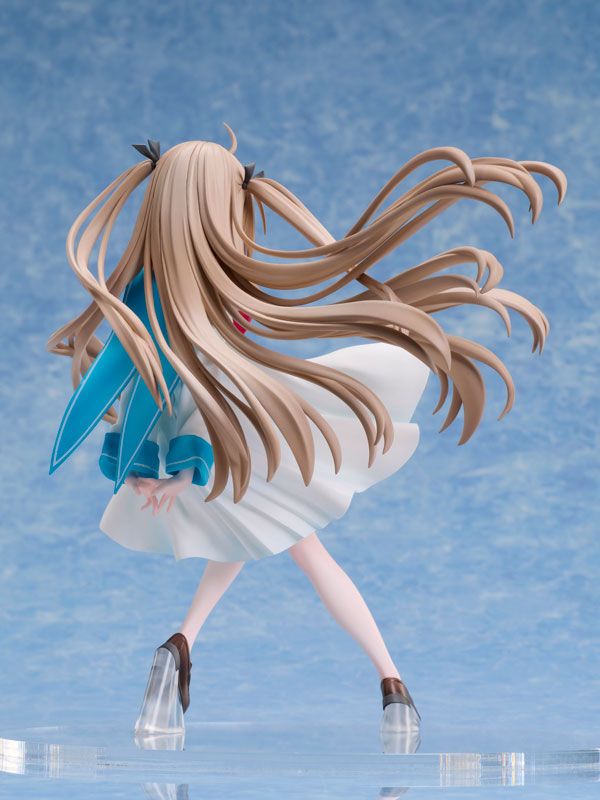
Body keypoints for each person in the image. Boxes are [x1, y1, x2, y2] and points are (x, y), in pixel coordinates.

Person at [47, 129, 566, 737]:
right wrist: (180, 469)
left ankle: (182, 647)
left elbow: (145, 386)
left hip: (241, 436)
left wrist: (144, 466)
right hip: (241, 437)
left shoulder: (152, 298)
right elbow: (192, 389)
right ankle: (392, 689)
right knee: (299, 547)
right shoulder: (190, 301)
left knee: (257, 538)